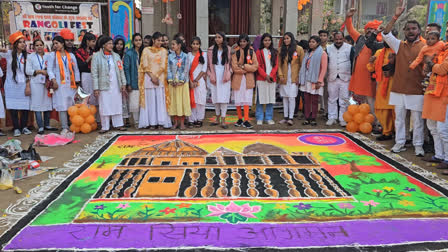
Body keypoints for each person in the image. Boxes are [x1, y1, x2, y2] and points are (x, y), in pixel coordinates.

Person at [382, 0, 426, 156]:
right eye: (408, 29)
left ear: (419, 31)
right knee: (399, 119)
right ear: (404, 31)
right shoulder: (398, 45)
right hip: (399, 88)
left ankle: (418, 145)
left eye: (414, 29)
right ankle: (400, 142)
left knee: (417, 120)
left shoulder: (425, 46)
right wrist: (395, 17)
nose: (411, 31)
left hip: (416, 89)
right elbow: (385, 34)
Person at [345, 6, 382, 115]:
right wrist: (348, 17)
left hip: (372, 77)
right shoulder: (360, 38)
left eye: (373, 29)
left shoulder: (380, 43)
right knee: (356, 99)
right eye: (368, 29)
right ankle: (357, 119)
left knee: (371, 100)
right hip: (358, 76)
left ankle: (373, 121)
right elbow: (350, 29)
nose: (370, 31)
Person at [367, 28, 398, 141]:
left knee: (394, 111)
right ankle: (386, 131)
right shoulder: (379, 52)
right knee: (382, 109)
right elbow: (371, 68)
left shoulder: (399, 51)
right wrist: (371, 61)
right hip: (382, 85)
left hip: (395, 85)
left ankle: (396, 131)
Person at [91, 36, 127, 133]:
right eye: (109, 43)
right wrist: (96, 88)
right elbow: (94, 73)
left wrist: (123, 83)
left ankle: (118, 124)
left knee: (116, 103)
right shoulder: (96, 56)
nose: (112, 45)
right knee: (104, 105)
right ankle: (105, 126)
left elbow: (121, 70)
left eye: (112, 43)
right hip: (103, 85)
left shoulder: (116, 56)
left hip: (116, 84)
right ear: (103, 45)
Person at [423, 42, 448, 172]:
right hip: (433, 92)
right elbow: (429, 69)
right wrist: (430, 64)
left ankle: (447, 159)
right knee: (432, 126)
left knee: (443, 129)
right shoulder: (440, 51)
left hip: (444, 96)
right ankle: (439, 155)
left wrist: (431, 64)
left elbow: (443, 69)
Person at [0, 31, 31, 137]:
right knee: (13, 107)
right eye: (20, 42)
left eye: (24, 42)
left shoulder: (28, 56)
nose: (23, 44)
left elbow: (29, 73)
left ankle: (24, 127)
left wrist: (28, 86)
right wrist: (4, 48)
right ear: (15, 44)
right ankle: (16, 128)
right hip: (11, 85)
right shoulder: (8, 54)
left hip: (24, 85)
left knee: (25, 107)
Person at [47, 36, 80, 134]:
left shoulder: (71, 55)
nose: (55, 45)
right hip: (59, 84)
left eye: (57, 43)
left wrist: (77, 82)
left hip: (71, 84)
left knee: (71, 104)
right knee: (62, 105)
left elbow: (76, 70)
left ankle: (73, 124)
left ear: (62, 43)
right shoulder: (52, 56)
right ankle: (64, 126)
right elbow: (49, 69)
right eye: (54, 44)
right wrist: (53, 81)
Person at [138, 32, 171, 129]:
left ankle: (161, 122)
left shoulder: (164, 51)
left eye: (161, 40)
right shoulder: (146, 50)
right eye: (158, 40)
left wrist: (156, 77)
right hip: (149, 78)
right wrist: (152, 77)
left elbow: (163, 65)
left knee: (160, 101)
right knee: (151, 101)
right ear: (153, 40)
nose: (160, 42)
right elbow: (144, 64)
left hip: (160, 79)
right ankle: (152, 122)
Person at [26, 39, 55, 134]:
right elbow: (28, 71)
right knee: (37, 105)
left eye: (41, 45)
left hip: (46, 83)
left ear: (44, 46)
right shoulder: (30, 57)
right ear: (34, 47)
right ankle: (40, 126)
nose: (39, 47)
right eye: (37, 45)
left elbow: (53, 68)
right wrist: (40, 71)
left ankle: (47, 124)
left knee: (47, 104)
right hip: (35, 83)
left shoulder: (48, 56)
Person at [299, 35, 328, 126]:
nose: (311, 44)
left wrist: (319, 81)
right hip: (307, 79)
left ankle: (313, 118)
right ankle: (307, 117)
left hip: (315, 80)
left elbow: (324, 68)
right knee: (307, 99)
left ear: (318, 43)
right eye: (310, 42)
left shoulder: (322, 53)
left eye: (313, 42)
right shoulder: (308, 53)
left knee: (314, 100)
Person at [231, 34, 258, 129]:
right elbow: (234, 67)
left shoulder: (251, 51)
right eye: (241, 41)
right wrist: (246, 69)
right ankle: (239, 119)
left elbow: (255, 66)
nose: (242, 43)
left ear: (247, 42)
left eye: (244, 41)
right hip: (238, 78)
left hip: (248, 79)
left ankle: (246, 119)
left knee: (247, 99)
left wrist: (243, 66)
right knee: (238, 99)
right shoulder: (235, 51)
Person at [326, 31, 353, 127]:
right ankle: (332, 117)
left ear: (343, 39)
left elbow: (353, 62)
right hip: (332, 77)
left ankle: (343, 118)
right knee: (332, 99)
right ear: (333, 39)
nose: (338, 41)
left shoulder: (349, 48)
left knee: (344, 99)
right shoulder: (328, 48)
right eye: (336, 39)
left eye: (340, 39)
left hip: (345, 78)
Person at [278, 32, 304, 125]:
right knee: (285, 97)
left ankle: (291, 117)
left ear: (292, 39)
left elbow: (302, 64)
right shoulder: (281, 50)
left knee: (292, 97)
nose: (286, 40)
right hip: (284, 77)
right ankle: (285, 117)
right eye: (284, 39)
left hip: (294, 76)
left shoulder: (299, 49)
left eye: (287, 38)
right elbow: (279, 65)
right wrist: (280, 76)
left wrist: (299, 77)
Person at [207, 31, 232, 129]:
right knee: (216, 98)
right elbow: (208, 66)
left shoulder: (229, 50)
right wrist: (210, 75)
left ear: (223, 38)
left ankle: (223, 120)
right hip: (214, 76)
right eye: (216, 37)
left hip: (225, 77)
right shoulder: (211, 50)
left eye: (219, 37)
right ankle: (217, 119)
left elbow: (232, 65)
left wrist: (229, 73)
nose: (217, 39)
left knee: (224, 99)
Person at [167, 38, 190, 130]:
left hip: (182, 84)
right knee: (174, 102)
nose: (172, 46)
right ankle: (175, 122)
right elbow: (168, 68)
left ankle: (182, 123)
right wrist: (171, 80)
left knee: (182, 102)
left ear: (179, 45)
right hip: (172, 83)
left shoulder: (185, 56)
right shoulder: (170, 56)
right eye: (171, 44)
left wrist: (181, 81)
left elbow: (186, 69)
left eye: (174, 44)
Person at [256, 33, 278, 125]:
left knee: (270, 98)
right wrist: (265, 76)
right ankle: (259, 117)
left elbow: (276, 65)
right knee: (260, 99)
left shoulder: (275, 52)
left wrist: (271, 75)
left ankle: (269, 118)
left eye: (269, 40)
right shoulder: (258, 52)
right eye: (265, 40)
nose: (267, 42)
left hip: (272, 79)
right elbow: (258, 66)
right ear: (262, 41)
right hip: (261, 79)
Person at [124, 33, 143, 129]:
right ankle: (136, 122)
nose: (138, 42)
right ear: (133, 42)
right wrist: (128, 83)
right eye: (136, 40)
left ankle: (143, 121)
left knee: (143, 103)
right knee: (134, 103)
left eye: (140, 40)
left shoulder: (144, 52)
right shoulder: (129, 53)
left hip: (144, 82)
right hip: (133, 81)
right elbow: (126, 69)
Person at [188, 37, 207, 127]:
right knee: (192, 100)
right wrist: (191, 82)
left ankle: (199, 119)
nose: (195, 45)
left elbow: (204, 70)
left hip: (200, 81)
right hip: (190, 81)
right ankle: (191, 119)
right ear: (191, 45)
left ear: (199, 45)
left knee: (200, 100)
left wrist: (196, 80)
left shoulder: (203, 55)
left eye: (197, 44)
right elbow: (186, 70)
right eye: (193, 44)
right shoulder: (188, 55)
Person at [75, 33, 97, 110]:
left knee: (96, 96)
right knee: (87, 95)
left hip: (95, 75)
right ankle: (87, 115)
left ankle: (97, 119)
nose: (95, 43)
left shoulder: (94, 50)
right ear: (87, 41)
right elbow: (80, 66)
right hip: (85, 75)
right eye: (93, 41)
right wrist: (89, 59)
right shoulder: (79, 51)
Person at [113, 37, 129, 126]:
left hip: (124, 78)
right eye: (117, 44)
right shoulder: (112, 55)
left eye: (121, 44)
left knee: (125, 100)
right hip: (115, 80)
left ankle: (126, 119)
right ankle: (117, 120)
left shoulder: (125, 55)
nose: (119, 46)